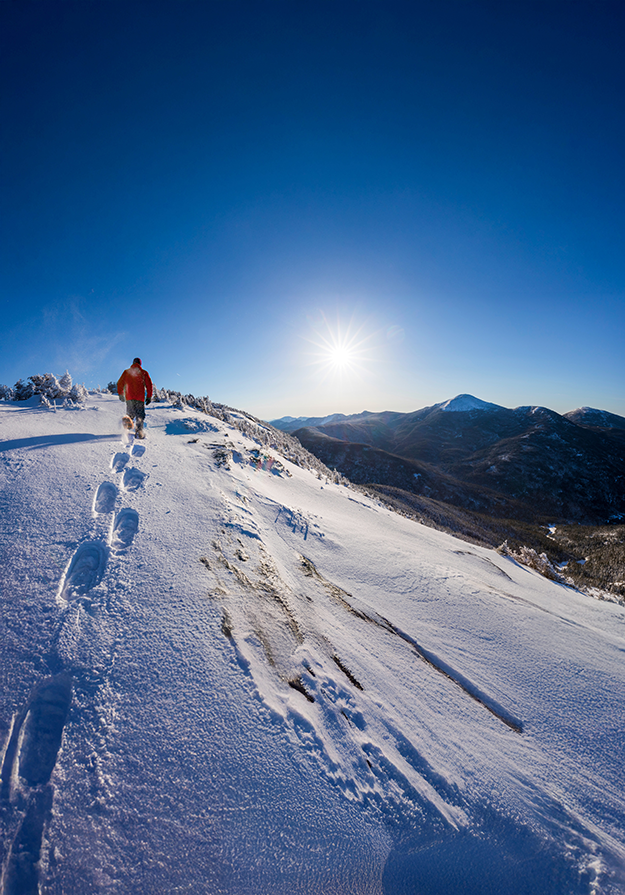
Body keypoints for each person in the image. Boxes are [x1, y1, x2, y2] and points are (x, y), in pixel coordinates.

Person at [117, 358, 153, 438]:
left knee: (130, 414)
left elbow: (120, 383)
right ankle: (139, 431)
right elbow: (149, 385)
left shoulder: (126, 372)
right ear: (140, 364)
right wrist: (149, 396)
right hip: (139, 398)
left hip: (129, 398)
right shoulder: (144, 373)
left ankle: (126, 428)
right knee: (140, 415)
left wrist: (121, 394)